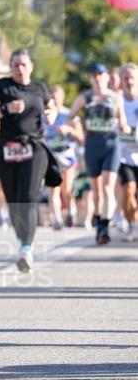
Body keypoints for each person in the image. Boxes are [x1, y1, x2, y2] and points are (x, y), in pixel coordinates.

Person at [0, 48, 58, 272]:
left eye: (23, 64)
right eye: (15, 65)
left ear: (31, 66)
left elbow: (51, 107)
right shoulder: (2, 87)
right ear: (10, 68)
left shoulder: (39, 88)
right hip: (7, 149)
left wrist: (50, 113)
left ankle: (26, 248)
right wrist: (5, 108)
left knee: (28, 196)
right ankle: (23, 239)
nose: (19, 69)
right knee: (14, 201)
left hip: (34, 148)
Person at [64, 63, 129, 244]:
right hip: (92, 144)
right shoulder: (85, 97)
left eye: (101, 74)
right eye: (94, 75)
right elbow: (71, 116)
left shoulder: (115, 97)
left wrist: (123, 126)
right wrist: (75, 127)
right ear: (91, 78)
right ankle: (100, 221)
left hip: (111, 143)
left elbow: (122, 119)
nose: (98, 78)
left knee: (108, 186)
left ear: (107, 77)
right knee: (97, 190)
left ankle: (104, 227)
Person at [45, 84, 81, 230]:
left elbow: (81, 136)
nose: (54, 98)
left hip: (67, 157)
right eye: (51, 96)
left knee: (66, 189)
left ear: (62, 97)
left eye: (56, 95)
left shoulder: (69, 115)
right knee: (54, 189)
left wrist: (69, 130)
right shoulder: (44, 116)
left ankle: (71, 212)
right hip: (51, 157)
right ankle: (58, 219)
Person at [118, 63, 138, 241]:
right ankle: (132, 225)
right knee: (128, 190)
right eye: (126, 78)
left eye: (132, 78)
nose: (129, 81)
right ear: (121, 81)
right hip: (123, 156)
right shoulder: (117, 102)